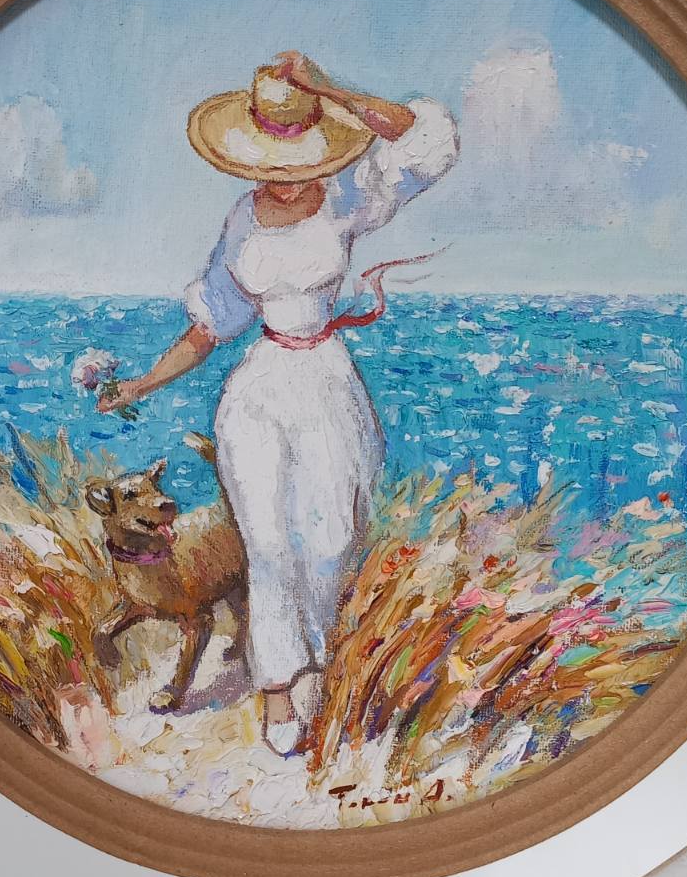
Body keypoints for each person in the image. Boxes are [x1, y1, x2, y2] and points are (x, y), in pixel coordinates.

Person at [99, 51, 459, 754]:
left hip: (326, 383)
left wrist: (325, 87)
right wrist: (141, 384)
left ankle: (312, 662)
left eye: (297, 163)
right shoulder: (241, 222)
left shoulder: (352, 195)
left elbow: (426, 138)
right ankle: (275, 685)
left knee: (329, 539)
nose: (284, 180)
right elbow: (210, 326)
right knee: (266, 543)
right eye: (270, 166)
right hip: (258, 390)